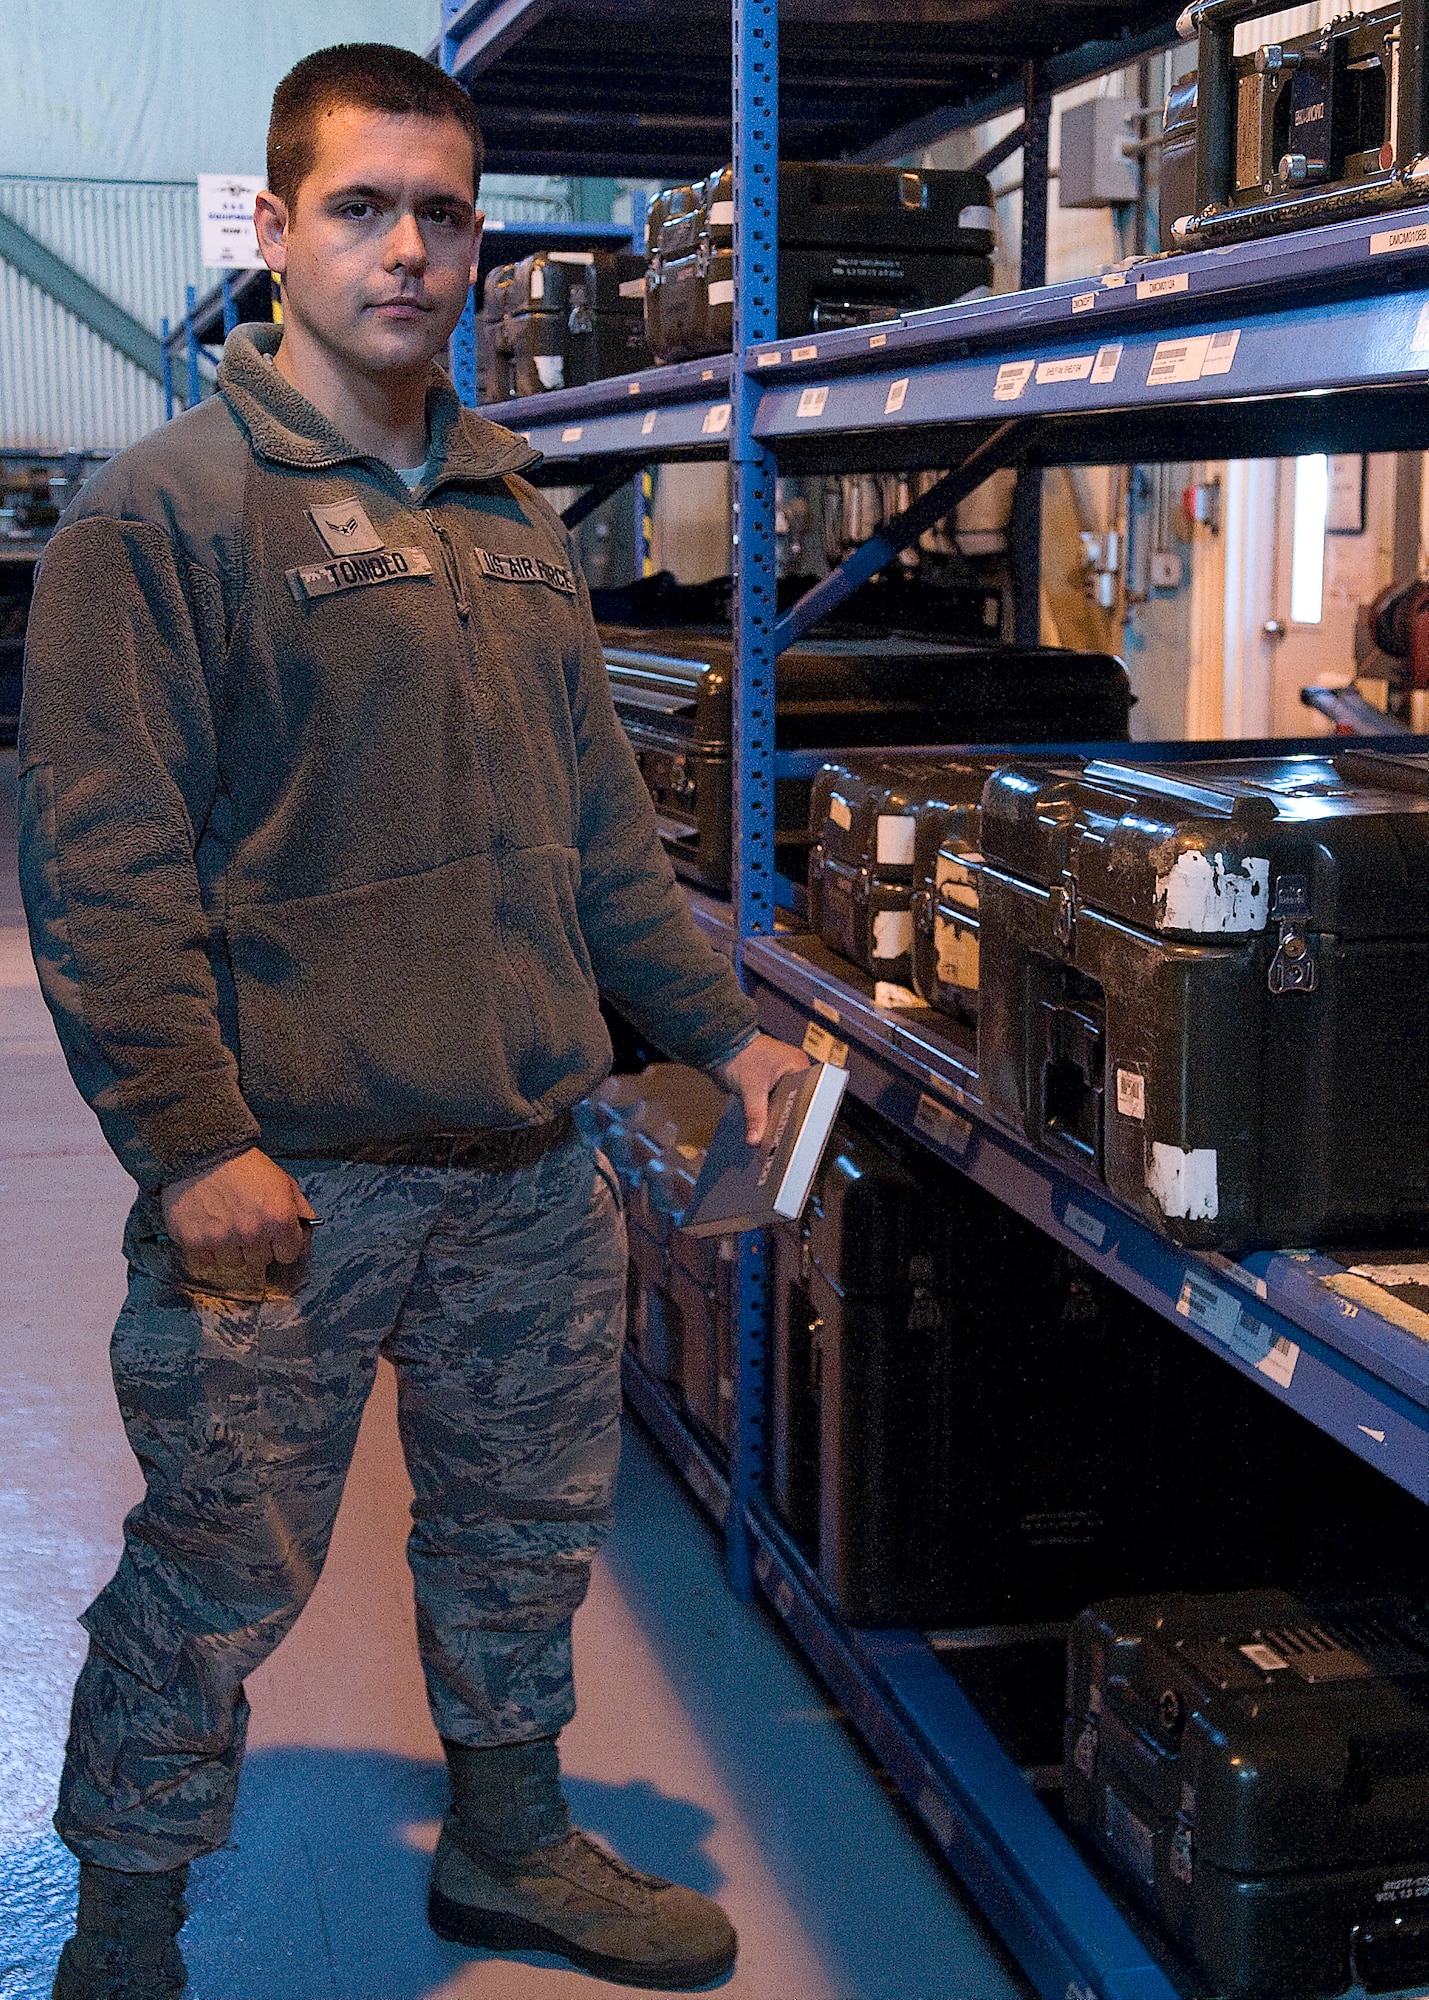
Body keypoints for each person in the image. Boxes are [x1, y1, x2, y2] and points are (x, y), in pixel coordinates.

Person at [19, 42, 807, 1999]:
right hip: (293, 1182)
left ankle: (510, 1845)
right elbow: (103, 882)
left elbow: (602, 846)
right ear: (276, 230)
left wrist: (726, 1039)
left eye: (441, 213)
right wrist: (191, 1141)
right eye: (360, 206)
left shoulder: (509, 520)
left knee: (521, 1530)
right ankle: (121, 1939)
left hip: (530, 1170)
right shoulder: (167, 517)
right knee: (215, 1575)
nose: (407, 249)